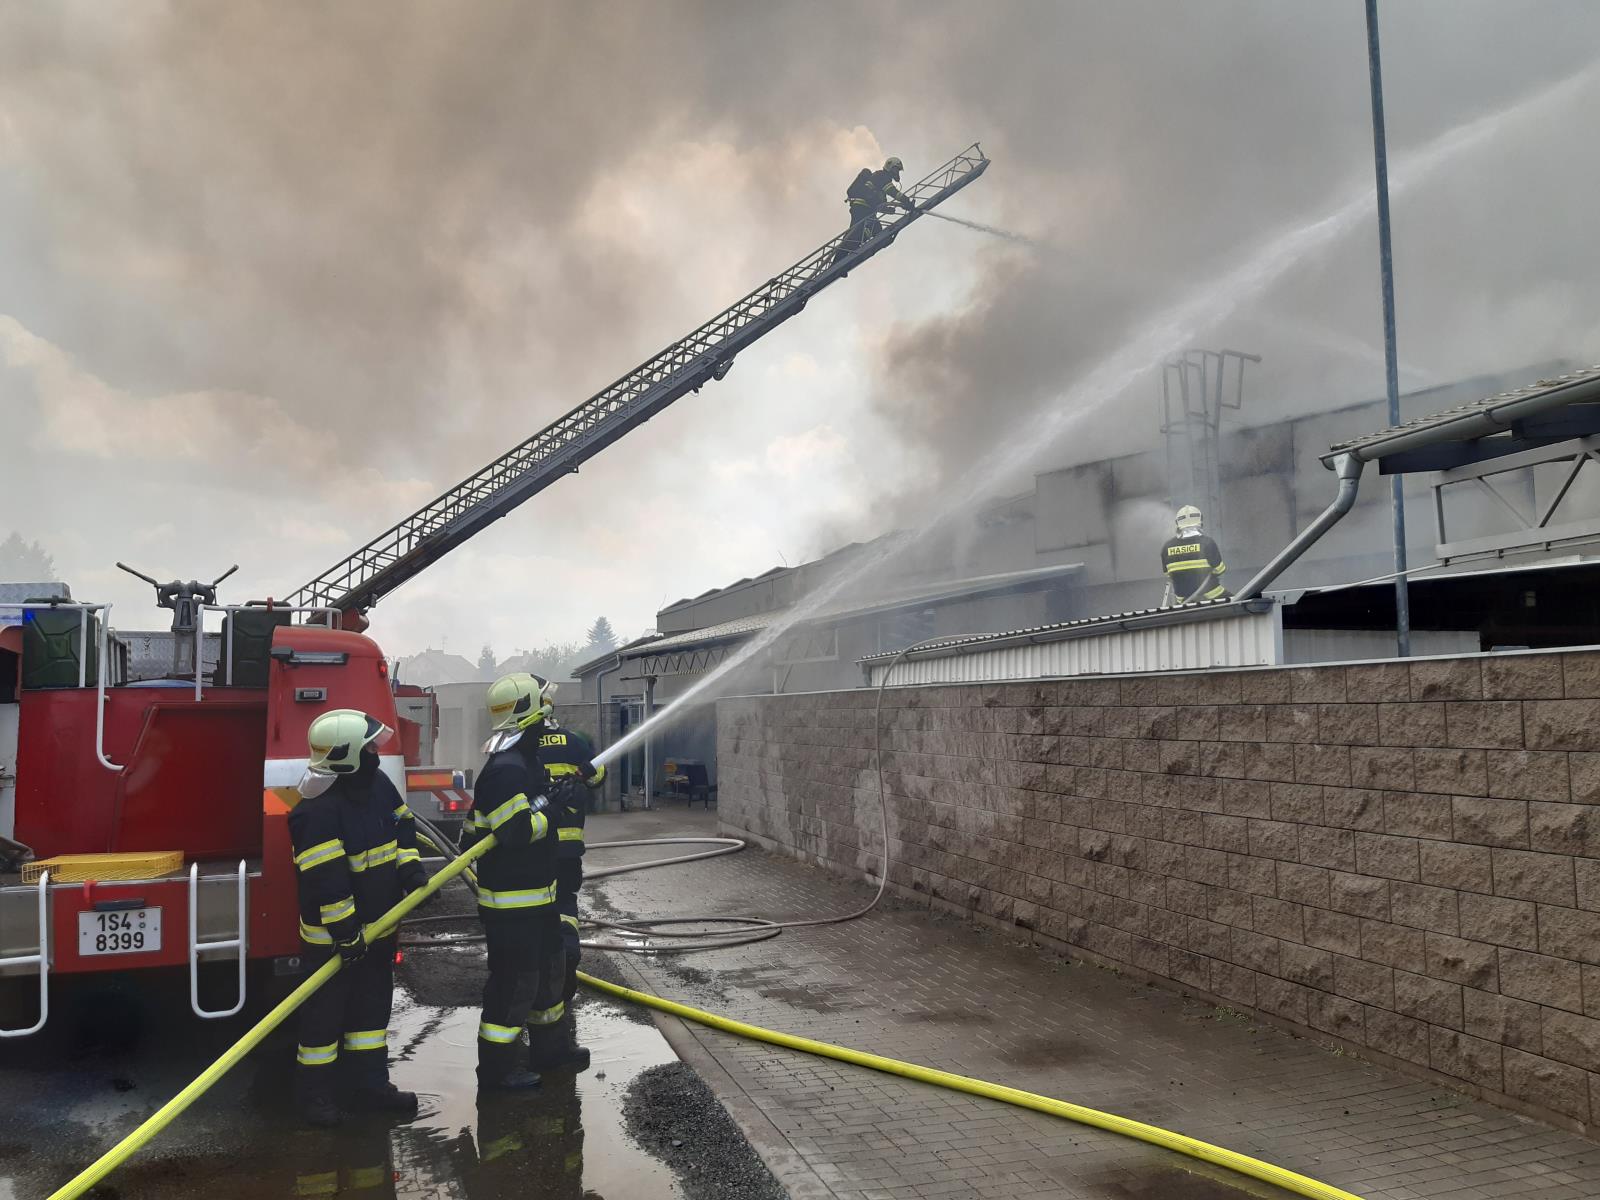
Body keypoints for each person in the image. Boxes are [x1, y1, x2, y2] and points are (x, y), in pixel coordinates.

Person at [287, 708, 427, 1127]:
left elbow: (403, 826)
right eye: (368, 749)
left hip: (378, 929)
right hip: (334, 941)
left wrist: (411, 868)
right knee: (322, 1023)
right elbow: (328, 885)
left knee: (370, 1014)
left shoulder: (377, 785)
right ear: (347, 756)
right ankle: (316, 1099)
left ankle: (369, 1087)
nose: (376, 755)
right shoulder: (314, 812)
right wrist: (347, 934)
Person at [463, 671, 562, 1090]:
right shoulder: (504, 770)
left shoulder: (524, 760)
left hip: (538, 898)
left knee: (548, 975)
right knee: (513, 983)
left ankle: (549, 1052)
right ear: (527, 712)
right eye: (542, 704)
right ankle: (499, 1071)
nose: (549, 711)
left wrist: (554, 795)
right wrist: (554, 812)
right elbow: (517, 832)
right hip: (512, 905)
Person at [535, 714, 606, 1073]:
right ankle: (567, 959)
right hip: (567, 852)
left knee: (536, 913)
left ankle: (541, 973)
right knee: (565, 909)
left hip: (532, 851)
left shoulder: (520, 746)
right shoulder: (574, 742)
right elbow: (599, 777)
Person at [833, 156, 914, 262]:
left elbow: (878, 203)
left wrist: (888, 210)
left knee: (871, 234)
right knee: (856, 233)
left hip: (866, 210)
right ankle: (838, 262)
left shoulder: (881, 180)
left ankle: (843, 260)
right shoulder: (882, 176)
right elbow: (893, 192)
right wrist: (906, 201)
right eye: (896, 169)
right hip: (861, 208)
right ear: (889, 166)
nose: (897, 173)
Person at [1160, 505, 1231, 605]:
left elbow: (1168, 574)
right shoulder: (1207, 543)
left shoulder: (1167, 547)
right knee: (1239, 603)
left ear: (1177, 523)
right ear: (1200, 521)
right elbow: (1220, 569)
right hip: (1212, 594)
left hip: (1183, 600)